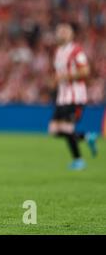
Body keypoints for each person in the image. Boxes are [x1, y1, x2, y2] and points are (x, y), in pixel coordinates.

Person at [48, 23, 98, 170]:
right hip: (62, 97)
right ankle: (87, 137)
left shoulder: (76, 51)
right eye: (59, 31)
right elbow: (58, 74)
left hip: (75, 96)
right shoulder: (58, 52)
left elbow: (85, 71)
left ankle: (79, 161)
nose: (62, 33)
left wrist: (64, 76)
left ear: (71, 34)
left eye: (65, 31)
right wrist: (55, 81)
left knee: (67, 129)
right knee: (54, 130)